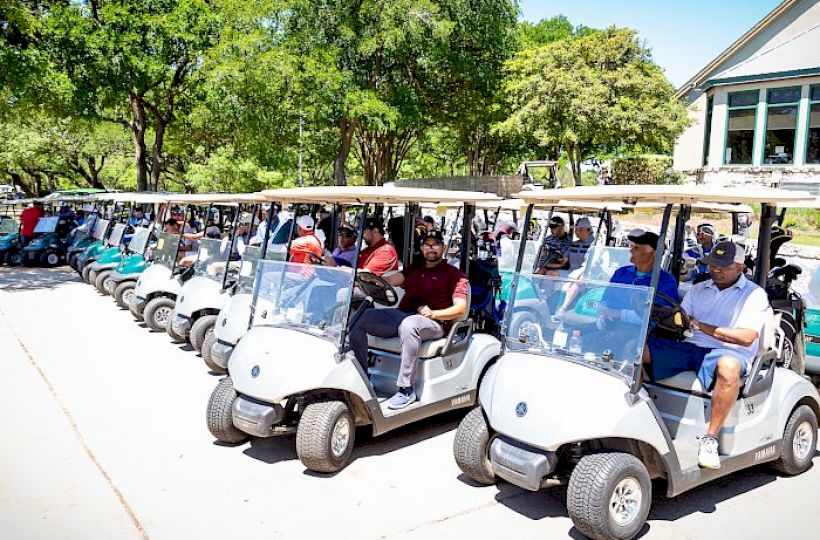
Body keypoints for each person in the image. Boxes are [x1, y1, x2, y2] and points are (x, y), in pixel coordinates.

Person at [645, 241, 769, 470]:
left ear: (740, 267)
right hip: (692, 347)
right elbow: (683, 321)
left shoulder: (754, 295)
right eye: (713, 265)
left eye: (724, 266)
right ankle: (640, 416)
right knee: (639, 350)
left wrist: (701, 326)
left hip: (730, 351)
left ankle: (710, 438)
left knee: (729, 366)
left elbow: (746, 337)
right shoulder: (699, 289)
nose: (716, 270)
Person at [349, 230, 469, 409]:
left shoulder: (454, 275)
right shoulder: (415, 269)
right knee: (359, 319)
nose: (430, 248)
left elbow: (460, 308)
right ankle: (362, 378)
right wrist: (372, 280)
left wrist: (434, 314)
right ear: (421, 248)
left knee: (409, 325)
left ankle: (406, 389)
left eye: (435, 244)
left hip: (434, 322)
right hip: (404, 315)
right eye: (426, 244)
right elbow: (392, 280)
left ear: (443, 247)